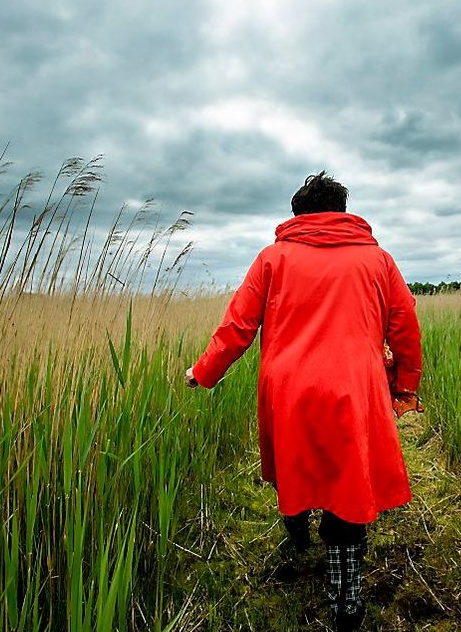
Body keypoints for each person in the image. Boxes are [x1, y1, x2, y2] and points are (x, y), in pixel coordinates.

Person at [185, 171, 422, 631]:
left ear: (298, 214)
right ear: (343, 212)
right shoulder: (379, 262)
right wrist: (405, 384)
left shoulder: (273, 258)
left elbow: (239, 325)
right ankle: (346, 596)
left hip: (290, 388)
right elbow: (405, 326)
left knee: (297, 466)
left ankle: (297, 526)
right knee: (349, 484)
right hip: (355, 388)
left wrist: (204, 371)